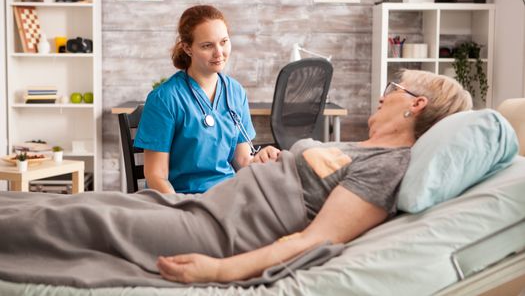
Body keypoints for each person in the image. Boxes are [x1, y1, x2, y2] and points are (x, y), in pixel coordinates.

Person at [0, 70, 472, 287]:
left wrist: (221, 270)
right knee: (70, 205)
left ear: (415, 105)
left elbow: (318, 237)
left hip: (225, 230)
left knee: (70, 220)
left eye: (395, 89)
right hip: (211, 202)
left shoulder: (387, 166)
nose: (384, 95)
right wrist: (277, 156)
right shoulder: (359, 148)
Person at [135, 5, 263, 194]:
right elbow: (156, 176)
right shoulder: (164, 99)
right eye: (207, 45)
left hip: (228, 197)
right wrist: (185, 210)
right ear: (187, 48)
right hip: (183, 201)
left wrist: (263, 161)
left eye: (224, 42)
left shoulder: (235, 92)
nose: (219, 52)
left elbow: (243, 161)